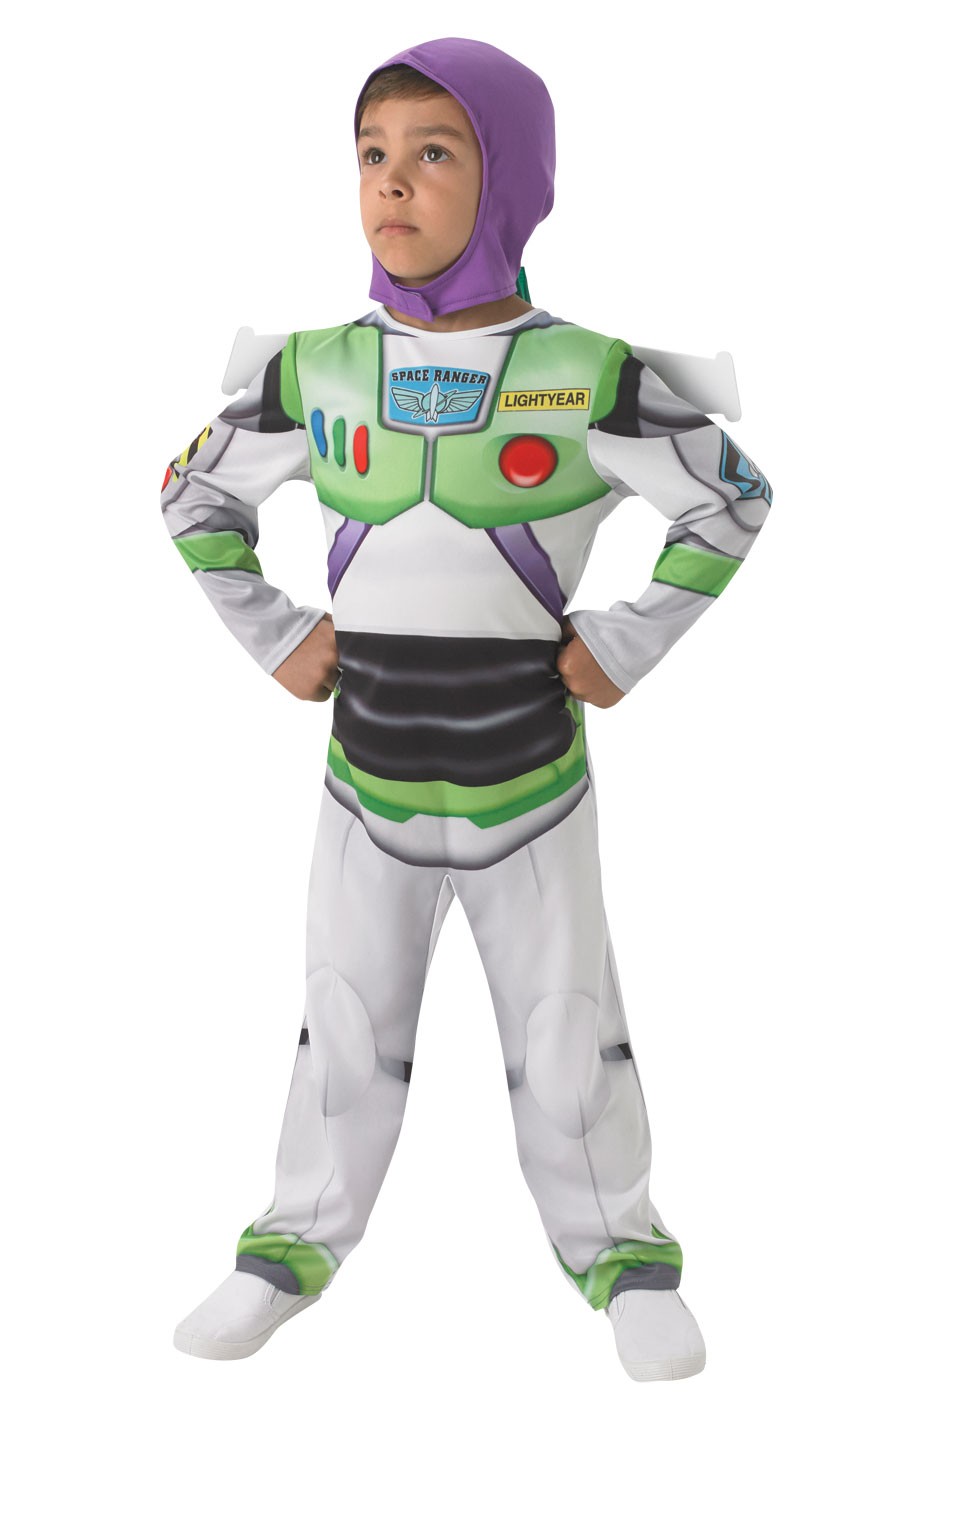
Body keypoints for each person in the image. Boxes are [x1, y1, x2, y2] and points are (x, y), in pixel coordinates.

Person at [162, 36, 772, 1379]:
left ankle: (623, 1264)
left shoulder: (591, 373)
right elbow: (192, 492)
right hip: (365, 783)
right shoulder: (317, 368)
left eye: (435, 153)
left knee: (569, 1041)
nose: (393, 182)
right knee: (340, 1029)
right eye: (371, 154)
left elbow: (731, 500)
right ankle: (287, 1253)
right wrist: (276, 634)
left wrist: (626, 641)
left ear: (511, 181)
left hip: (530, 783)